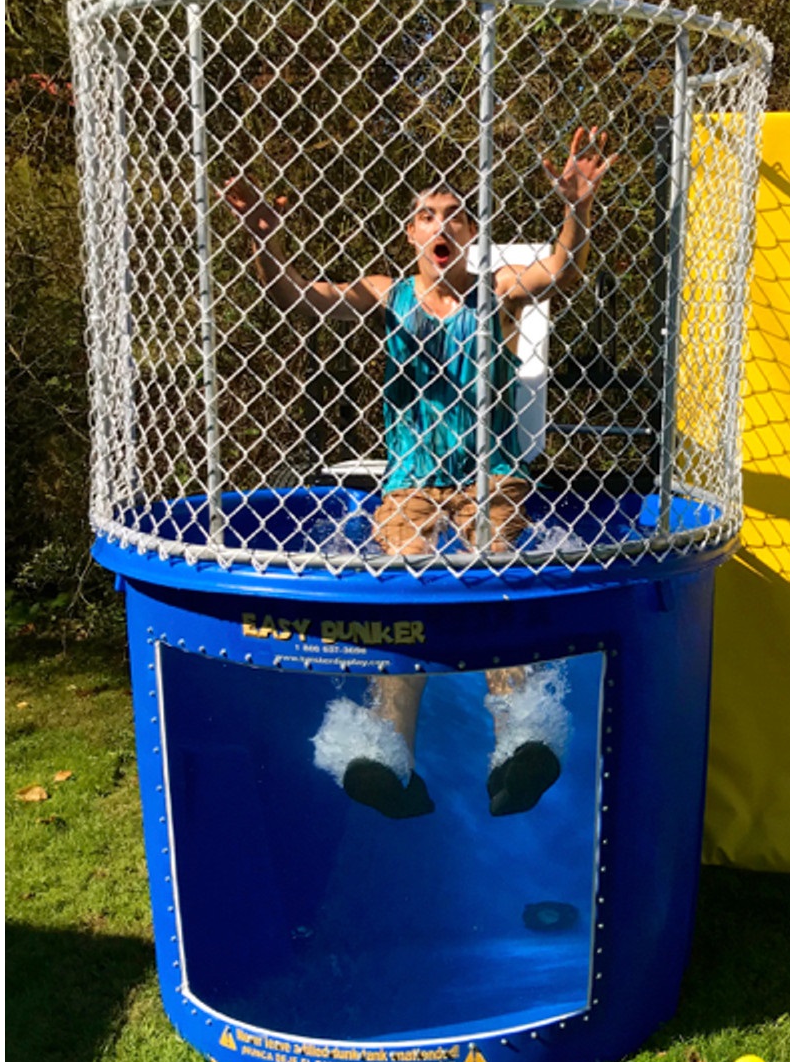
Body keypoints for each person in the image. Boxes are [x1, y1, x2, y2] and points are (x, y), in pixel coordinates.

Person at [221, 127, 617, 819]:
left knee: (496, 585)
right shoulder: (387, 293)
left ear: (471, 234)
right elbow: (295, 298)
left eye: (454, 214)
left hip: (490, 478)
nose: (441, 223)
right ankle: (386, 755)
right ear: (410, 234)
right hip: (407, 483)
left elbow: (563, 270)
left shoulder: (496, 291)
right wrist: (264, 238)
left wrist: (575, 209)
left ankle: (520, 748)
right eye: (427, 215)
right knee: (396, 605)